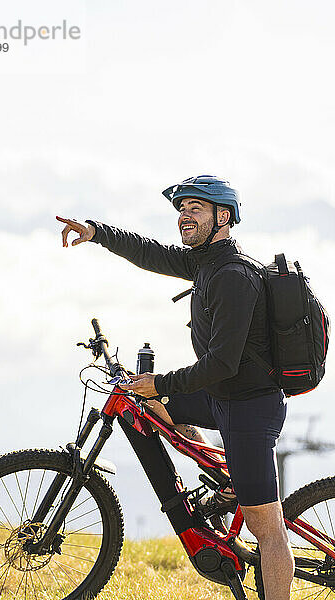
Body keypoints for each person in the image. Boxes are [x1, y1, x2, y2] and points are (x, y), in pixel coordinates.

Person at [56, 174, 294, 600]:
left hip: (250, 408)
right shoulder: (204, 263)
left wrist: (160, 382)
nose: (184, 216)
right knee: (152, 405)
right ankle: (224, 485)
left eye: (195, 208)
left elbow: (222, 362)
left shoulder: (234, 276)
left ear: (224, 217)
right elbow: (150, 253)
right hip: (220, 397)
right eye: (181, 210)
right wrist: (97, 233)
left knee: (266, 525)